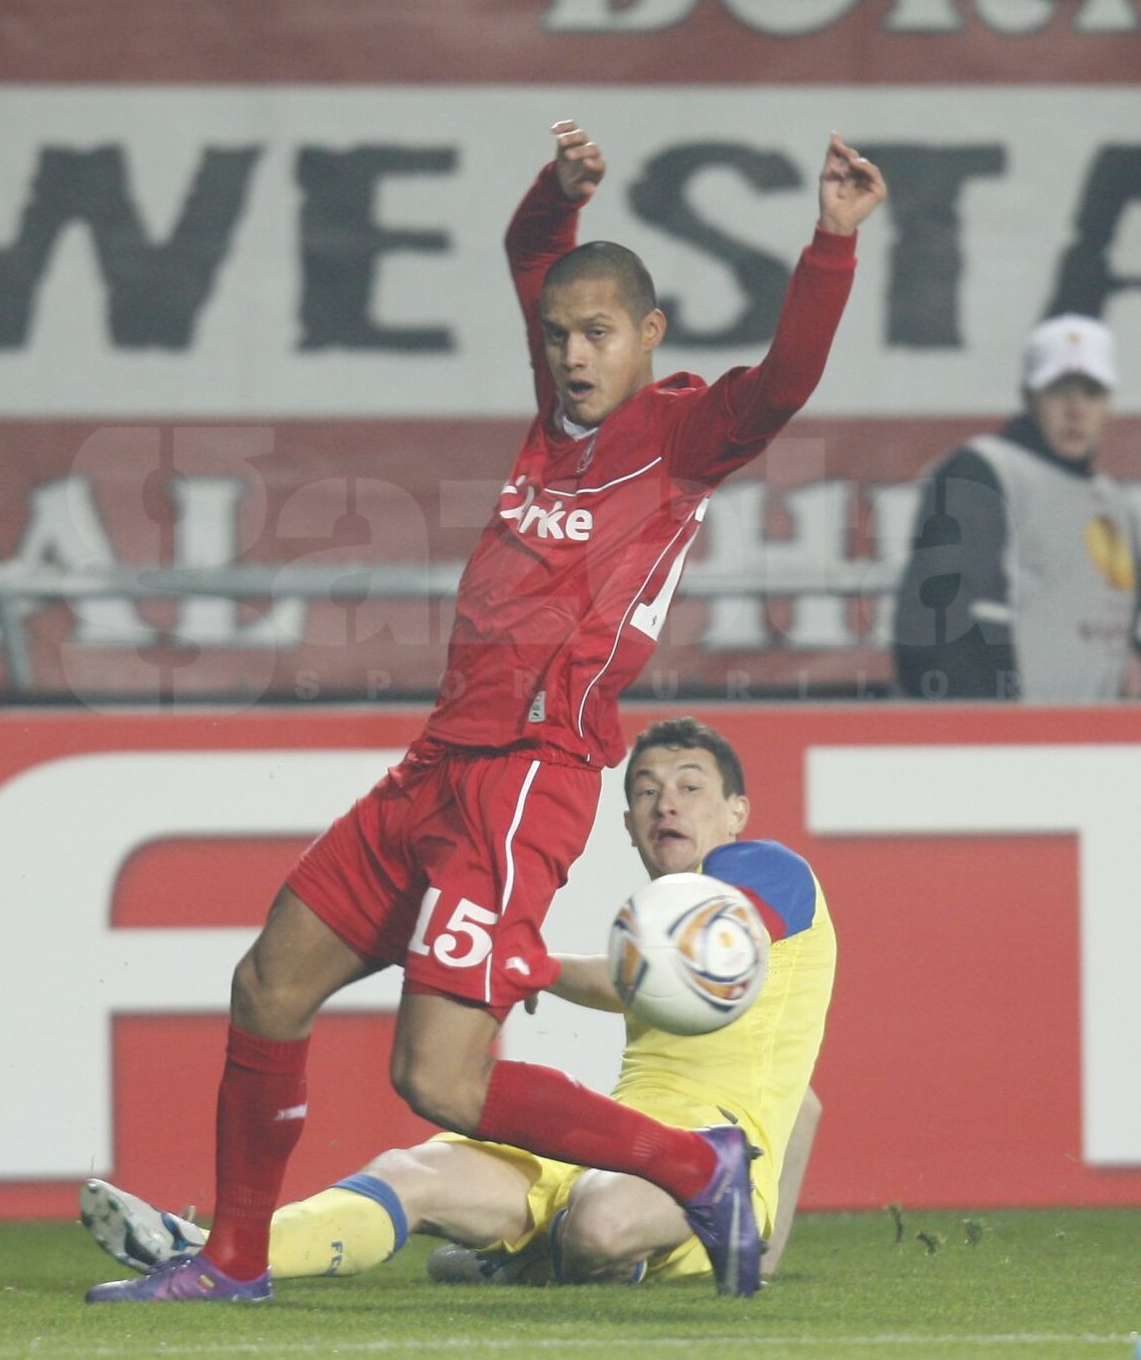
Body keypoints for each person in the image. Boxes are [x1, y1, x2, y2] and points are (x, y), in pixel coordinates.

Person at [85, 120, 883, 1305]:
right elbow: (529, 256)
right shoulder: (555, 424)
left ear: (649, 337)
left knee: (441, 1081)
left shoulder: (681, 439)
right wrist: (552, 195)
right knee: (267, 986)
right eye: (559, 334)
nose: (571, 352)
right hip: (435, 765)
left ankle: (694, 1168)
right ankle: (235, 1259)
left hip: (525, 777)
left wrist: (830, 241)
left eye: (597, 333)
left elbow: (788, 380)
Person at [83, 718, 835, 1293]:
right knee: (412, 1172)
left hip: (688, 1169)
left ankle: (544, 1259)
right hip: (614, 1144)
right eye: (644, 790)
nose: (665, 803)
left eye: (691, 786)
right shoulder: (656, 917)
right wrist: (769, 1247)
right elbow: (803, 1105)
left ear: (737, 810)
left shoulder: (766, 873)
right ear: (627, 823)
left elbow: (682, 968)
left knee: (603, 1220)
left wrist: (525, 966)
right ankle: (214, 1248)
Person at [893, 313, 1140, 700]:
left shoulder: (1115, 502)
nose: (1076, 410)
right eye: (1059, 391)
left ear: (1108, 401)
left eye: (1091, 393)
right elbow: (933, 625)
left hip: (1094, 745)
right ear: (1028, 396)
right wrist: (981, 737)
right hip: (1011, 742)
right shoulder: (984, 471)